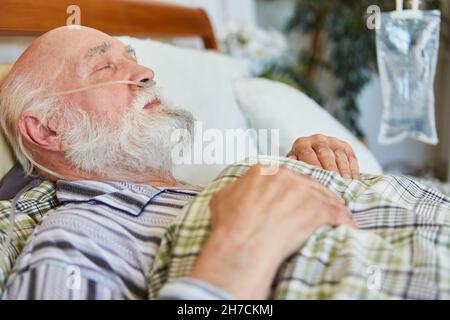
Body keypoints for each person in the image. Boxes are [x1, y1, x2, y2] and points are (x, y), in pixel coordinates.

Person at [0, 26, 358, 299]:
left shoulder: (209, 185)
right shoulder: (79, 237)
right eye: (103, 66)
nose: (145, 72)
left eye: (132, 56)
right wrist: (240, 246)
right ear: (47, 129)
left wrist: (309, 173)